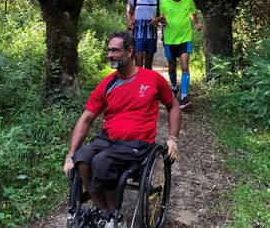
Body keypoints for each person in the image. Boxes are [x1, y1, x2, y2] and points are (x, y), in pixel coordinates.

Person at [63, 31, 181, 228]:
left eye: (115, 50)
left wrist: (172, 139)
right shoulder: (107, 84)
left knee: (101, 161)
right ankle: (106, 213)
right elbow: (87, 117)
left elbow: (173, 106)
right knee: (82, 159)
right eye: (109, 50)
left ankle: (115, 216)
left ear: (130, 51)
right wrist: (70, 155)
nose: (110, 55)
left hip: (138, 144)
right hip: (108, 139)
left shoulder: (152, 79)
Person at [159, 0, 202, 110]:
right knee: (172, 67)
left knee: (184, 67)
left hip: (184, 39)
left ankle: (184, 97)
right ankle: (174, 86)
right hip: (170, 40)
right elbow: (163, 19)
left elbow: (193, 13)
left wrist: (195, 24)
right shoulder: (164, 2)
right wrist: (161, 22)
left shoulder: (188, 1)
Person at [127, 0, 162, 70]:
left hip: (151, 32)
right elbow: (129, 11)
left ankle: (147, 84)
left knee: (148, 63)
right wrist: (130, 22)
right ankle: (138, 84)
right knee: (138, 62)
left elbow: (163, 15)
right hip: (138, 32)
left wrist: (157, 19)